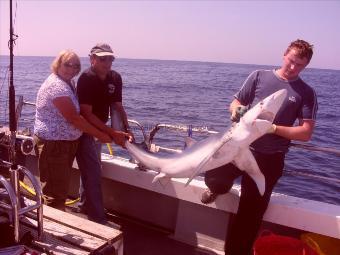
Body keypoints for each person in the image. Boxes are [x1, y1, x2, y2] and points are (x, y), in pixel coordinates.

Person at [201, 39, 318, 255]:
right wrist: (236, 111)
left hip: (269, 158)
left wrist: (272, 129)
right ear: (284, 54)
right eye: (291, 61)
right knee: (213, 178)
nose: (292, 68)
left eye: (299, 65)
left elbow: (306, 132)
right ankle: (217, 189)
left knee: (250, 215)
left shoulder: (305, 92)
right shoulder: (258, 76)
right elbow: (235, 102)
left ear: (306, 66)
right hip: (238, 147)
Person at [34, 50, 112, 211]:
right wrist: (102, 135)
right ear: (58, 64)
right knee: (54, 195)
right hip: (54, 145)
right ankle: (51, 231)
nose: (71, 69)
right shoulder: (56, 86)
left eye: (76, 66)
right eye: (67, 64)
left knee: (59, 189)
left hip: (65, 144)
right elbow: (74, 119)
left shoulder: (69, 83)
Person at [76, 43, 132, 224]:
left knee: (92, 169)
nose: (107, 62)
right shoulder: (86, 79)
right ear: (92, 59)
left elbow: (117, 106)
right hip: (85, 129)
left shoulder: (115, 78)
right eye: (102, 58)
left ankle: (84, 206)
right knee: (93, 172)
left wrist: (126, 129)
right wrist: (111, 132)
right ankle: (98, 217)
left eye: (110, 58)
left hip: (102, 127)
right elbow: (86, 113)